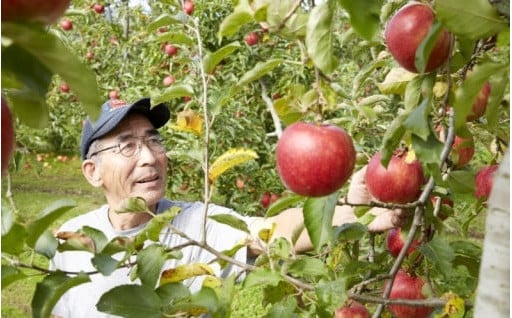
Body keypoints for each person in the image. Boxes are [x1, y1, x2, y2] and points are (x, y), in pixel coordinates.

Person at [49, 97, 403, 317]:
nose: (149, 157)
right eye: (127, 146)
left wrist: (350, 208)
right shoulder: (72, 242)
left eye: (153, 141)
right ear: (92, 172)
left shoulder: (196, 224)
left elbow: (275, 230)